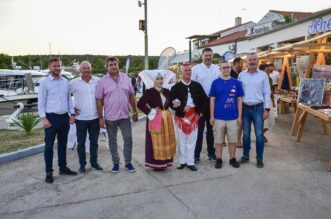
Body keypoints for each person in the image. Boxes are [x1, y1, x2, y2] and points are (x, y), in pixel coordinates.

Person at [96, 57, 138, 173]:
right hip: (110, 117)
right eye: (110, 65)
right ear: (107, 67)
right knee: (112, 141)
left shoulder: (126, 78)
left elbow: (131, 96)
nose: (113, 66)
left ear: (118, 65)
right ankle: (115, 163)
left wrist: (135, 111)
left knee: (128, 139)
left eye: (115, 64)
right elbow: (99, 100)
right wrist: (101, 118)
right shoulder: (102, 81)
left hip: (125, 116)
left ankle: (128, 162)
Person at [38, 57, 77, 184]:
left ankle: (63, 168)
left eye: (59, 66)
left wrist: (71, 115)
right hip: (51, 118)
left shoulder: (65, 81)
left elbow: (68, 100)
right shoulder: (44, 82)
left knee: (62, 145)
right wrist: (43, 118)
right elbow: (41, 102)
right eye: (54, 66)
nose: (57, 68)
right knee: (49, 146)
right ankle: (49, 172)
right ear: (50, 67)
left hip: (64, 118)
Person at [170, 63, 207, 171]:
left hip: (194, 117)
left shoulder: (197, 85)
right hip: (181, 117)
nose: (188, 72)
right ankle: (182, 161)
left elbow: (205, 100)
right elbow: (173, 104)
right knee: (182, 140)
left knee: (192, 140)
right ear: (181, 72)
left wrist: (200, 112)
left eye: (189, 70)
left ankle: (190, 162)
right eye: (185, 70)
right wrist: (182, 107)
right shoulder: (175, 87)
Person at [137, 70, 176, 171]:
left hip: (166, 119)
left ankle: (166, 161)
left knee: (166, 140)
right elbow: (140, 104)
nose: (160, 81)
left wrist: (176, 104)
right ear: (153, 80)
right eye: (157, 79)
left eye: (161, 78)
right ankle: (156, 163)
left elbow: (171, 104)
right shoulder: (149, 92)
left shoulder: (167, 91)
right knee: (156, 140)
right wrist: (151, 111)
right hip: (155, 119)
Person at [238, 53, 271, 168]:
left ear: (258, 61)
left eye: (254, 59)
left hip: (258, 109)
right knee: (246, 134)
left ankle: (259, 158)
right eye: (250, 60)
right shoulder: (241, 75)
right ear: (247, 62)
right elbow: (239, 94)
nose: (252, 61)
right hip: (245, 108)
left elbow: (267, 92)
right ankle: (246, 156)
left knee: (259, 134)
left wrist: (267, 109)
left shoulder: (263, 75)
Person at [69, 61, 103, 173]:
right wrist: (72, 109)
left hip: (95, 118)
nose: (86, 70)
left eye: (88, 68)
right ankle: (82, 165)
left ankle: (94, 163)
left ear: (91, 69)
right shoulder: (74, 83)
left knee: (94, 143)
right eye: (84, 68)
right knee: (81, 143)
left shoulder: (98, 81)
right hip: (81, 119)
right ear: (80, 70)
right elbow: (65, 96)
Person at [210, 61, 243, 169]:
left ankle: (232, 159)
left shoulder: (237, 83)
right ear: (220, 69)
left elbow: (239, 100)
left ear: (231, 68)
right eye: (224, 68)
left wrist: (239, 116)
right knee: (218, 140)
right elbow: (212, 100)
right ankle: (219, 159)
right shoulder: (215, 83)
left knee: (232, 140)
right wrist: (212, 116)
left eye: (228, 67)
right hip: (218, 117)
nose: (226, 69)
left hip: (232, 117)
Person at [191, 47, 219, 163]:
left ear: (212, 56)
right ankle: (196, 155)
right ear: (202, 56)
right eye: (206, 55)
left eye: (210, 55)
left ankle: (211, 154)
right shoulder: (196, 69)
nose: (208, 57)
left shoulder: (217, 68)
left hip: (214, 102)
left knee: (212, 130)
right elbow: (192, 87)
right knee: (199, 131)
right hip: (200, 103)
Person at [259, 64, 276, 143]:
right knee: (262, 121)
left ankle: (260, 133)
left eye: (269, 71)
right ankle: (260, 135)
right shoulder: (257, 79)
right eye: (267, 70)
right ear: (261, 71)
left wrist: (273, 102)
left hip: (268, 101)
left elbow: (271, 91)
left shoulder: (270, 79)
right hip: (260, 101)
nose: (268, 72)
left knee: (270, 120)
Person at [230, 57, 244, 148]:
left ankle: (238, 139)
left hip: (239, 100)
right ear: (235, 63)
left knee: (240, 121)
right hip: (230, 100)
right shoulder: (229, 73)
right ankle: (224, 139)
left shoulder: (241, 74)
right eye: (241, 63)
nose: (242, 65)